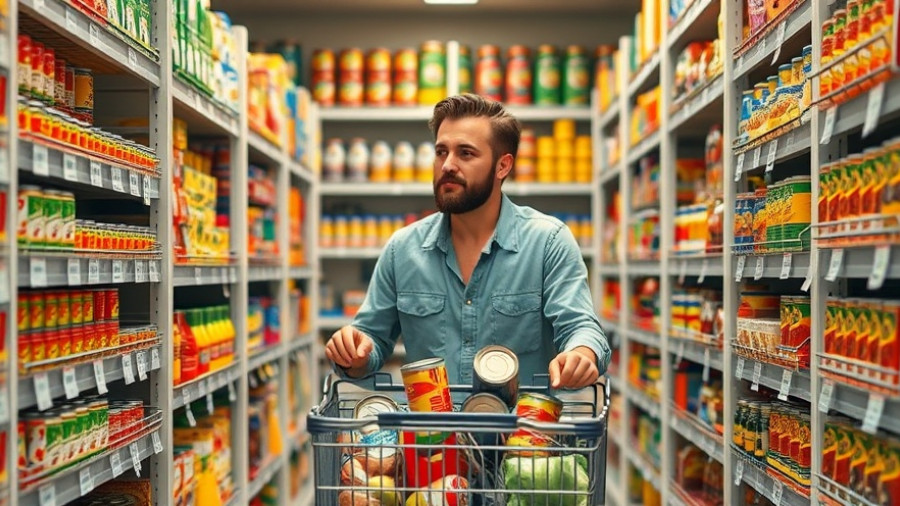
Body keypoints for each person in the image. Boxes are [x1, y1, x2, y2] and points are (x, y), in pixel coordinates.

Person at [325, 94, 610, 389]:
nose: (447, 165)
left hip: (521, 433)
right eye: (441, 152)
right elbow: (370, 341)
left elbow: (580, 327)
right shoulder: (402, 249)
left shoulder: (548, 242)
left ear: (503, 166)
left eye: (466, 153)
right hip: (433, 434)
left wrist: (581, 353)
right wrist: (353, 352)